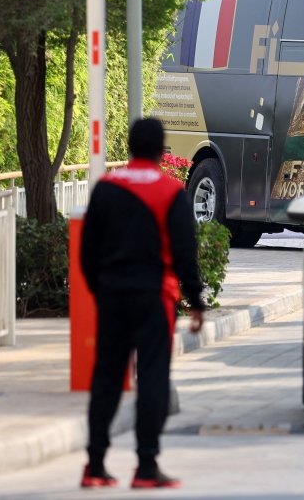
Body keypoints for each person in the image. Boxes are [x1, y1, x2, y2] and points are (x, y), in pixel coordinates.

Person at [80, 118, 204, 489]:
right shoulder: (170, 191)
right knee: (152, 378)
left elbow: (88, 250)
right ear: (160, 149)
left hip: (112, 295)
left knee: (106, 379)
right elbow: (185, 252)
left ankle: (95, 466)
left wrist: (100, 290)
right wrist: (196, 300)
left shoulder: (106, 186)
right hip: (153, 298)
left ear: (131, 146)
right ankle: (146, 467)